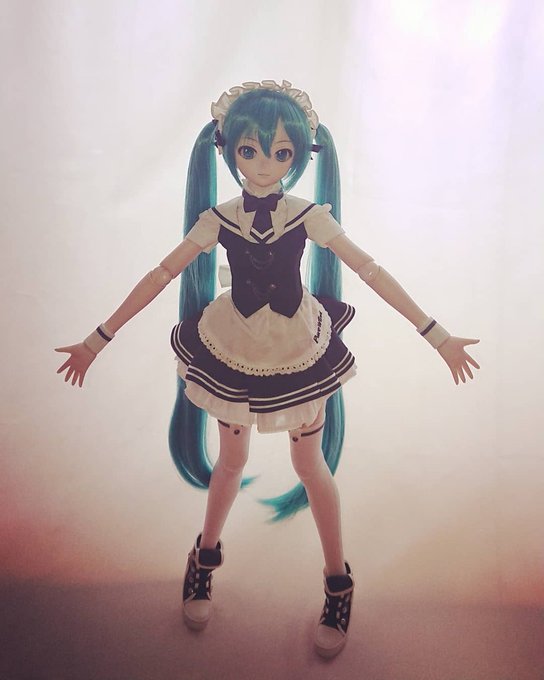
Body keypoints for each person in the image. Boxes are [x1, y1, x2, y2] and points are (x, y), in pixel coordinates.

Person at [56, 80, 479, 658]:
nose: (263, 164)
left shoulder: (308, 215)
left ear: (301, 154)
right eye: (249, 150)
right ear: (228, 149)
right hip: (235, 346)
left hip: (296, 349)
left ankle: (338, 579)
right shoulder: (218, 219)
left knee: (310, 465)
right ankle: (205, 557)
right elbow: (161, 274)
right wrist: (97, 339)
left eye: (281, 152)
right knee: (231, 461)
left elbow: (371, 270)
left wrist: (436, 334)